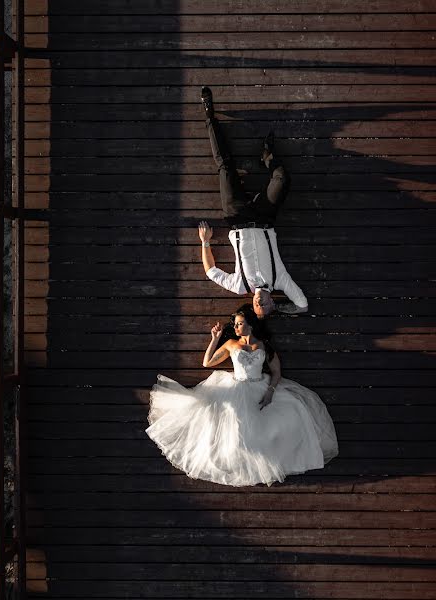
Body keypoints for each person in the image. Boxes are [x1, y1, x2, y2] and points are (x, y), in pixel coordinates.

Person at [145, 305, 339, 487]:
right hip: (236, 387)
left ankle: (270, 460)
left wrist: (270, 392)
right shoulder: (231, 344)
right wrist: (215, 338)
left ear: (251, 324)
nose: (236, 327)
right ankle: (234, 462)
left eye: (240, 323)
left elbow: (276, 373)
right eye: (235, 323)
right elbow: (207, 362)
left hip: (260, 387)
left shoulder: (265, 346)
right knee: (233, 427)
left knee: (287, 417)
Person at [198, 85, 308, 319]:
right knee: (282, 179)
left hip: (237, 218)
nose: (260, 304)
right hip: (264, 217)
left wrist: (205, 242)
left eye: (257, 308)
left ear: (252, 304)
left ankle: (209, 116)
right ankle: (267, 156)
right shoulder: (280, 279)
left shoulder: (240, 286)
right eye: (265, 307)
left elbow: (211, 272)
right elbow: (302, 304)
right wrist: (283, 309)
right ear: (272, 303)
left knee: (225, 167)